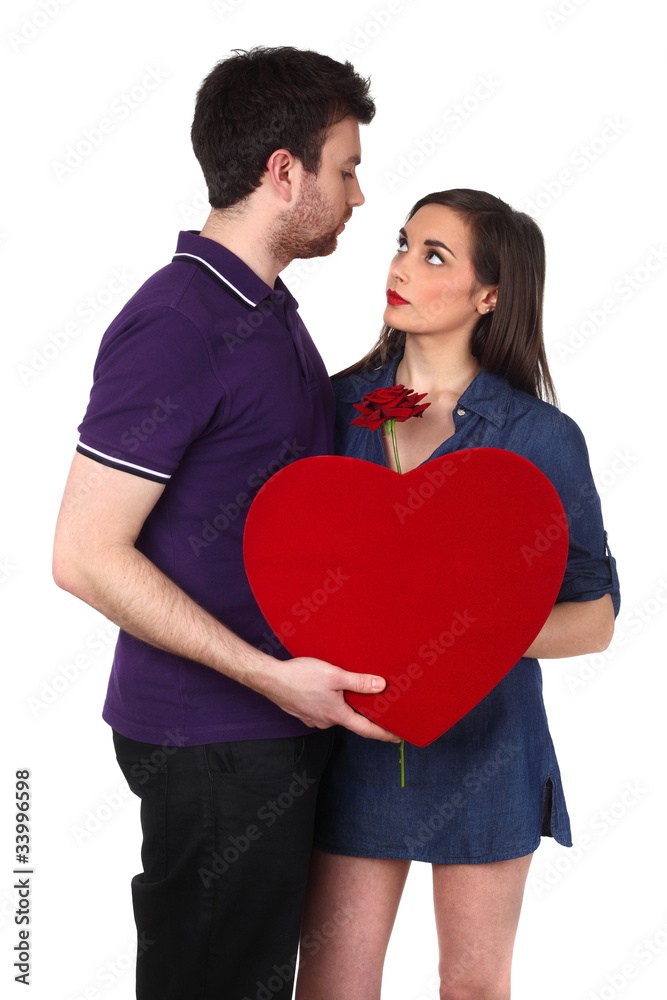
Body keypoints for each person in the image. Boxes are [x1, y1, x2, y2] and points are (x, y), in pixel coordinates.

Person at [51, 46, 401, 1000]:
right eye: (346, 166)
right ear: (284, 171)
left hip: (273, 727)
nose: (359, 195)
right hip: (215, 742)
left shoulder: (266, 309)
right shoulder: (178, 322)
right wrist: (268, 678)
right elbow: (83, 556)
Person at [295, 189, 620, 1000]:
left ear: (489, 295)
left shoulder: (539, 437)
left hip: (489, 753)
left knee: (473, 989)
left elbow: (595, 619)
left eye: (433, 255)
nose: (401, 266)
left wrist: (465, 633)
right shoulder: (334, 407)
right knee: (333, 986)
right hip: (351, 747)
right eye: (403, 244)